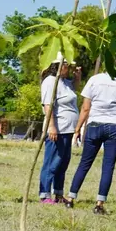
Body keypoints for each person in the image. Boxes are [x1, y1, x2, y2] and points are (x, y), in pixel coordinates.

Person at [63, 66, 116, 214]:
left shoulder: (94, 80)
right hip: (115, 127)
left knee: (84, 163)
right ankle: (99, 204)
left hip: (94, 125)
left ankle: (71, 198)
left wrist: (77, 129)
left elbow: (85, 108)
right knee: (108, 167)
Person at [38, 54, 80, 205]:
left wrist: (77, 78)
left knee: (63, 162)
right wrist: (52, 126)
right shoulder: (50, 81)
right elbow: (48, 105)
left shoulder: (65, 82)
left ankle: (58, 193)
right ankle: (44, 194)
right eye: (66, 65)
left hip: (68, 129)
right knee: (52, 162)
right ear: (58, 65)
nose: (68, 68)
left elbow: (72, 93)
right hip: (57, 128)